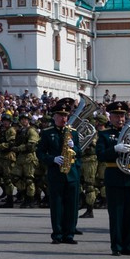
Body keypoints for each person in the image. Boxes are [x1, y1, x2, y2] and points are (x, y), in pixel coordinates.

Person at [96, 101, 130, 257]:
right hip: (114, 176)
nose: (120, 119)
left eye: (122, 115)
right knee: (116, 214)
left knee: (129, 214)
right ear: (110, 117)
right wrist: (114, 149)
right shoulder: (104, 134)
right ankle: (117, 246)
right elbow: (100, 155)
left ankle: (128, 245)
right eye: (116, 116)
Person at [37, 98, 80, 243]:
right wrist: (52, 159)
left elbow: (79, 152)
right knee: (56, 205)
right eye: (60, 115)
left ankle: (69, 234)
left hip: (71, 174)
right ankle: (57, 234)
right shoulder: (47, 133)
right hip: (56, 173)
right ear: (54, 116)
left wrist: (73, 146)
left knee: (71, 206)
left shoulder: (73, 132)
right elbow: (40, 153)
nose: (63, 118)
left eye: (65, 116)